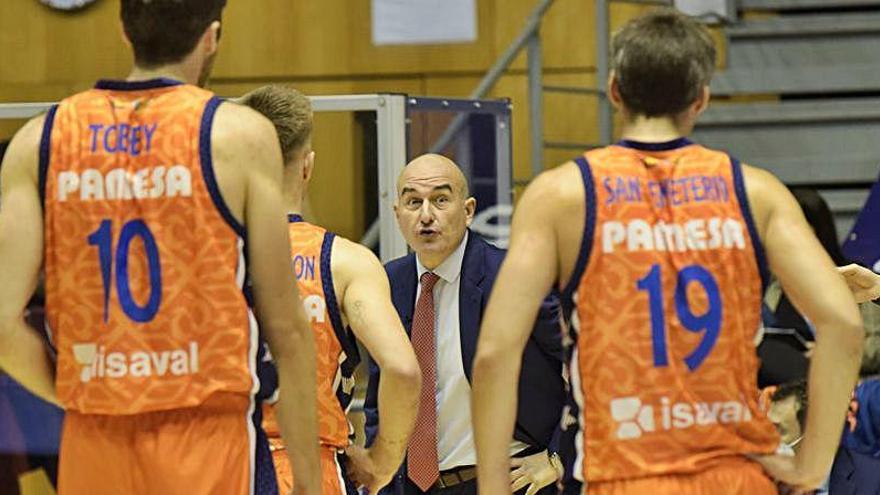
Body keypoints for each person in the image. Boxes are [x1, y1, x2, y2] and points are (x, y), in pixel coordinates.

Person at [471, 8, 863, 495]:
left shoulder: (561, 195)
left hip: (621, 471)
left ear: (614, 90)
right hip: (734, 475)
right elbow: (844, 325)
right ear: (701, 98)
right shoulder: (755, 192)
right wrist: (811, 465)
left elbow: (494, 354)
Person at [0, 1, 321, 494]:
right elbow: (288, 330)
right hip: (205, 430)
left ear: (124, 31)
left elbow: (2, 321)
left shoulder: (38, 140)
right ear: (211, 36)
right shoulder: (238, 136)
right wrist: (306, 481)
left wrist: (72, 394)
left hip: (94, 429)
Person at [239, 85, 422, 495]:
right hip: (307, 468)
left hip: (217, 463)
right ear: (307, 166)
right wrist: (381, 463)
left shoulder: (205, 256)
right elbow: (403, 369)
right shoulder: (343, 261)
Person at [365, 153, 565, 495]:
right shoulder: (386, 282)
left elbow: (589, 364)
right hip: (409, 485)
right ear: (397, 214)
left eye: (441, 200)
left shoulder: (513, 277)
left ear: (468, 210)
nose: (426, 215)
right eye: (413, 202)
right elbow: (380, 390)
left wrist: (558, 457)